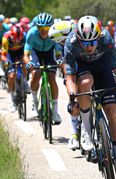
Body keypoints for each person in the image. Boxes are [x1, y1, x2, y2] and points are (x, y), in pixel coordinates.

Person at [64, 15, 116, 179]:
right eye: (85, 43)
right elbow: (70, 78)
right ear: (78, 38)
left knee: (112, 112)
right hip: (82, 68)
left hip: (102, 66)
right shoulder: (71, 43)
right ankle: (86, 131)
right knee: (85, 83)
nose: (89, 47)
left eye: (92, 43)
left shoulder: (106, 38)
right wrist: (73, 97)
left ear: (99, 36)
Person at [23, 12, 62, 124]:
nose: (43, 30)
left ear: (50, 27)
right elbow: (26, 54)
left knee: (52, 78)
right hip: (36, 53)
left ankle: (55, 112)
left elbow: (58, 52)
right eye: (40, 27)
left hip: (49, 53)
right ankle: (34, 103)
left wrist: (59, 60)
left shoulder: (54, 33)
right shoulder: (31, 33)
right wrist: (29, 63)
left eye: (46, 27)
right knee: (36, 73)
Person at [48, 20, 78, 149]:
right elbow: (64, 61)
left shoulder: (77, 36)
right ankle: (74, 134)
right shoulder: (63, 42)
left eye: (62, 41)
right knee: (74, 98)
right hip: (72, 66)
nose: (61, 44)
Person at [1, 24, 29, 112]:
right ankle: (11, 100)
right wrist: (6, 61)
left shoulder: (25, 36)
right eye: (15, 39)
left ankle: (25, 82)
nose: (17, 41)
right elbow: (3, 55)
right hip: (10, 54)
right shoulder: (6, 38)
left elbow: (27, 52)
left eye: (19, 39)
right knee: (12, 76)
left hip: (20, 52)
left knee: (24, 63)